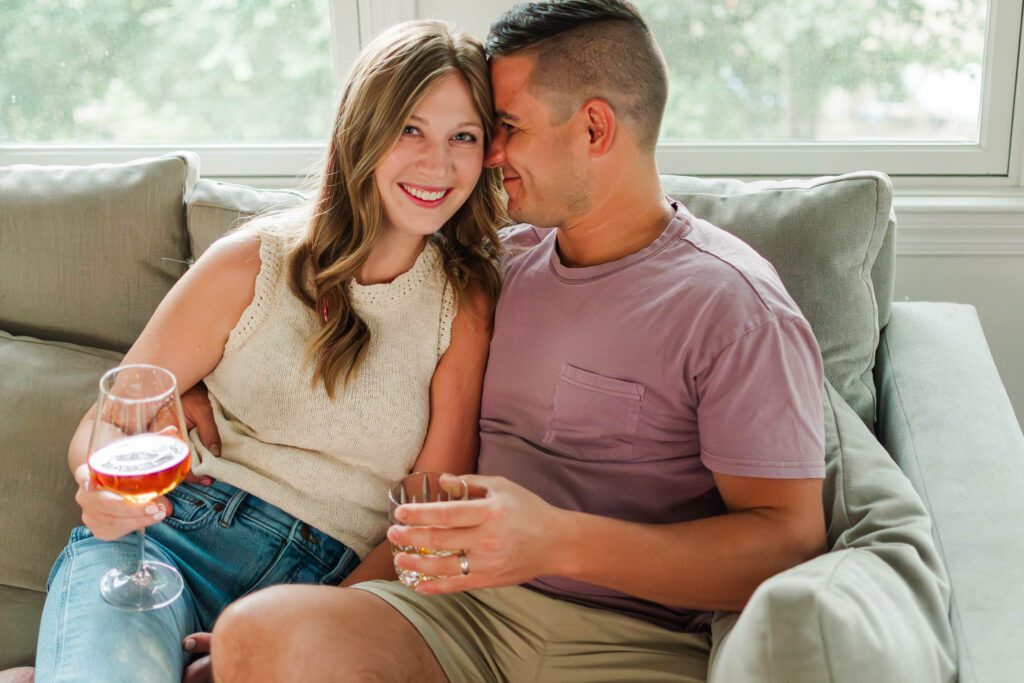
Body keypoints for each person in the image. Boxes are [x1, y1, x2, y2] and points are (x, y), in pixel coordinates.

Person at [191, 2, 829, 681]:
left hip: (634, 642)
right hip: (455, 614)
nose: (487, 156)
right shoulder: (490, 266)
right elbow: (343, 315)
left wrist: (554, 541)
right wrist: (191, 386)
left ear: (593, 127)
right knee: (256, 635)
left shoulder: (734, 307)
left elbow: (788, 542)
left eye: (506, 129)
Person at [25, 19, 506, 683]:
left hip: (326, 584)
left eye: (464, 137)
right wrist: (100, 484)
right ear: (362, 131)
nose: (439, 163)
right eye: (410, 129)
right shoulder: (253, 261)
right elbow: (109, 418)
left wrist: (301, 631)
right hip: (170, 545)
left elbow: (423, 521)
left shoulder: (465, 300)